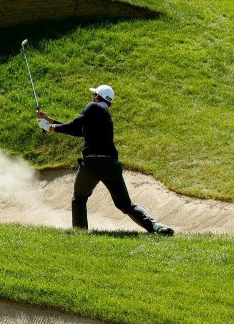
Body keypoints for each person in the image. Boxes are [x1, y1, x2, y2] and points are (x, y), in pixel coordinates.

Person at [37, 85, 174, 235]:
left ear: (97, 96)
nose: (91, 97)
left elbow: (75, 125)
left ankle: (80, 233)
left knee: (79, 199)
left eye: (93, 94)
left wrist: (51, 127)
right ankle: (155, 227)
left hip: (91, 165)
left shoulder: (92, 107)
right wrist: (49, 120)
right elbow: (78, 130)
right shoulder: (103, 114)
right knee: (125, 204)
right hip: (111, 165)